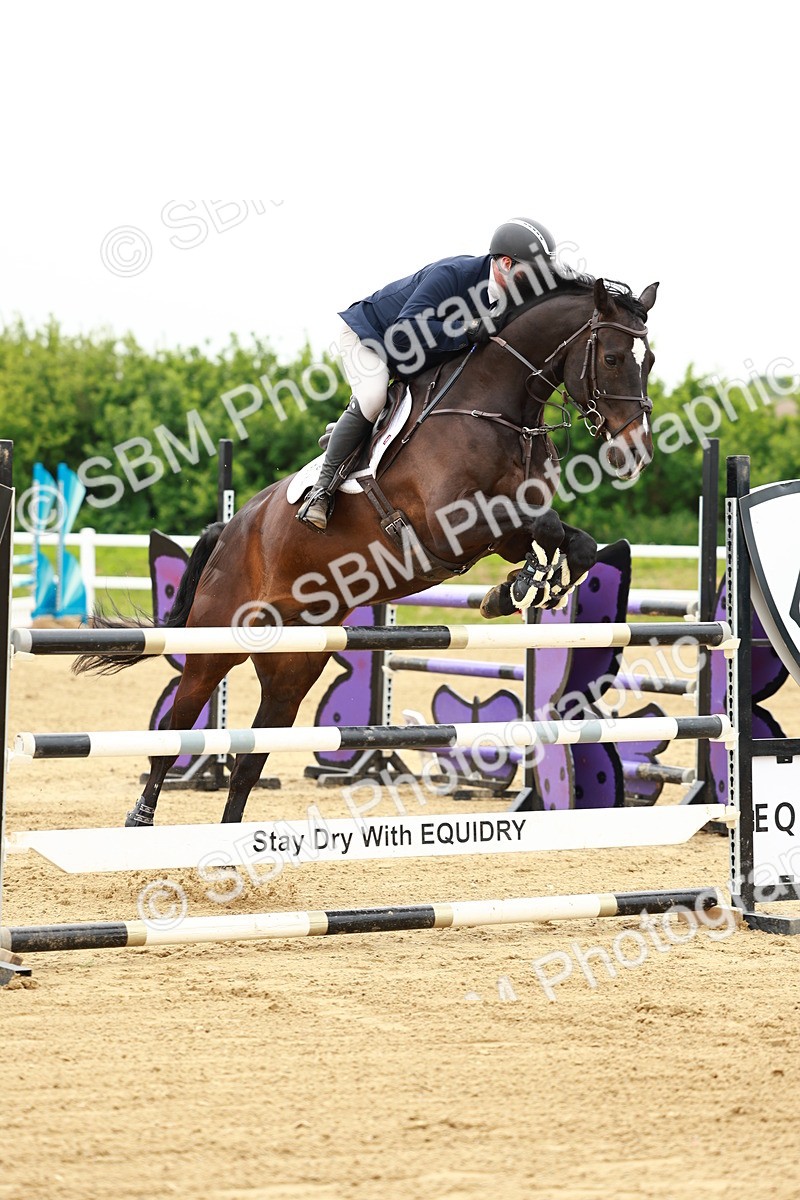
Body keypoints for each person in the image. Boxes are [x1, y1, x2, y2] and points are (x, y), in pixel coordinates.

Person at [297, 218, 560, 532]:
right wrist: (468, 329)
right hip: (370, 337)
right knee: (373, 396)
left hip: (422, 355)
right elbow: (403, 334)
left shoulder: (513, 298)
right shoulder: (452, 275)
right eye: (533, 272)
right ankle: (321, 492)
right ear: (505, 263)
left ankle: (351, 434)